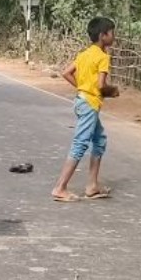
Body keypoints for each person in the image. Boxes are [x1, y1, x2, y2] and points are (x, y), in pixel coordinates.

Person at [51, 17, 118, 202]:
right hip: (90, 104)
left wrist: (82, 88)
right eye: (111, 33)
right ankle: (60, 187)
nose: (113, 36)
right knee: (80, 144)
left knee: (100, 139)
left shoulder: (84, 54)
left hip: (82, 100)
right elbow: (101, 85)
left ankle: (92, 186)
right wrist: (112, 91)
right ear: (103, 35)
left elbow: (66, 72)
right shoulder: (103, 57)